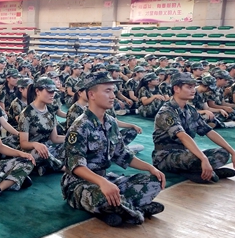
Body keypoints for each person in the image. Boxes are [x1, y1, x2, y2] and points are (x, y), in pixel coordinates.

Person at [61, 72, 166, 227]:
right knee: (102, 196)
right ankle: (135, 210)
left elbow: (123, 155)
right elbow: (76, 167)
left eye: (113, 91)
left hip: (105, 178)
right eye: (107, 91)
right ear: (92, 94)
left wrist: (150, 168)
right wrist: (102, 183)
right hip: (78, 184)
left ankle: (120, 209)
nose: (113, 96)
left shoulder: (110, 122)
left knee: (154, 181)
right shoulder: (80, 126)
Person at [152, 73, 235, 184]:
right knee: (199, 158)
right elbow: (183, 136)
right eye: (189, 87)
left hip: (184, 154)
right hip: (165, 158)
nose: (193, 90)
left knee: (223, 153)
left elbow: (209, 131)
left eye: (194, 87)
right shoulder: (166, 111)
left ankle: (200, 171)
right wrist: (203, 158)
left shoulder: (190, 110)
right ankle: (198, 172)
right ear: (176, 88)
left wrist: (232, 152)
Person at [18, 77, 65, 176]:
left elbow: (55, 138)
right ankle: (62, 167)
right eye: (49, 92)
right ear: (37, 91)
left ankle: (47, 165)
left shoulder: (50, 110)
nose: (53, 94)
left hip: (48, 147)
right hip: (33, 151)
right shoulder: (27, 113)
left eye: (54, 92)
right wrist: (35, 144)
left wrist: (73, 138)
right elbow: (23, 144)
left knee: (71, 145)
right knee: (39, 154)